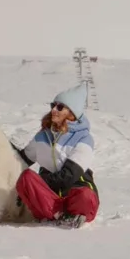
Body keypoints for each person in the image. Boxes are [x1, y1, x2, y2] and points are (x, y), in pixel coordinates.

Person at [12, 83, 99, 229]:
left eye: (60, 107)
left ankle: (73, 214)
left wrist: (40, 182)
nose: (53, 110)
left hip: (74, 194)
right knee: (26, 176)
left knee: (85, 195)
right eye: (53, 105)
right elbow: (21, 160)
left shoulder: (84, 139)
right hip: (49, 200)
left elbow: (68, 176)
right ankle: (59, 215)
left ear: (72, 113)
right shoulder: (42, 137)